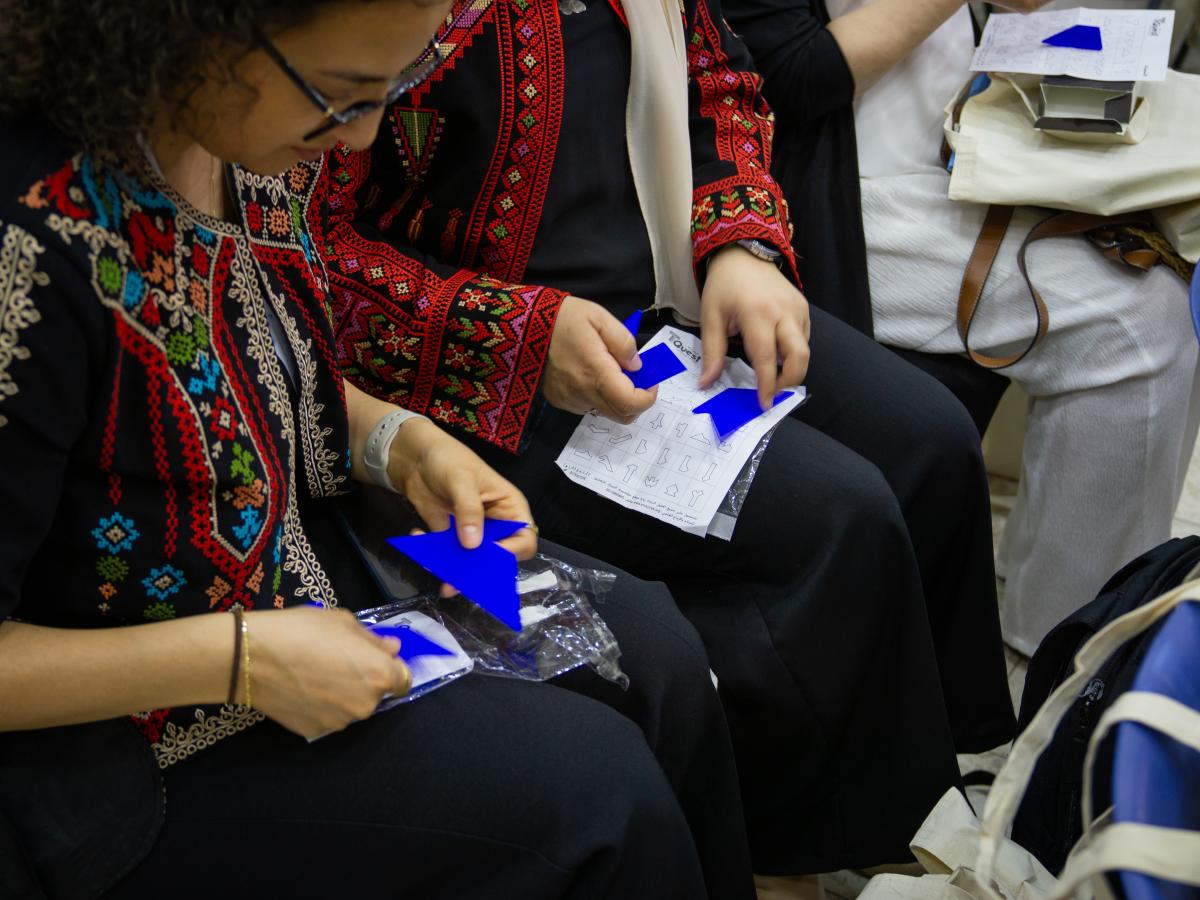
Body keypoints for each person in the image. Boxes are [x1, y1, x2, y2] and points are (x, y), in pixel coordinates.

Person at [0, 2, 757, 896]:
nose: (359, 143)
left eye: (387, 92)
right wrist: (243, 658)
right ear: (187, 32)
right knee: (592, 796)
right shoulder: (32, 244)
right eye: (342, 97)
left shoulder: (237, 142)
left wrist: (402, 444)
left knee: (654, 657)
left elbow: (243, 360)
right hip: (126, 741)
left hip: (302, 582)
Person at [315, 0, 1017, 875]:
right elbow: (307, 256)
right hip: (484, 379)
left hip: (675, 301)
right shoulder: (366, 30)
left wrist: (742, 250)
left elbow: (722, 85)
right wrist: (520, 333)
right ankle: (795, 850)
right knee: (836, 518)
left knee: (930, 442)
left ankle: (932, 781)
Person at [724, 0, 1200, 656]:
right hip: (831, 199)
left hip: (957, 135)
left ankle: (1074, 609)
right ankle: (1071, 650)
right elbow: (794, 74)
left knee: (1168, 278)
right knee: (1141, 321)